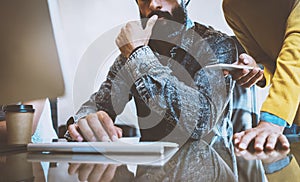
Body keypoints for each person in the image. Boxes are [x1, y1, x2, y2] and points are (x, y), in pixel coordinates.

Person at [66, 0, 238, 144]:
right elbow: (99, 104)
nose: (154, 4)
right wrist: (84, 123)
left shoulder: (216, 44)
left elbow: (200, 121)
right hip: (150, 171)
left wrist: (138, 54)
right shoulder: (134, 50)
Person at [222, 0, 299, 151]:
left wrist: (272, 121)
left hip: (279, 118)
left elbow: (296, 49)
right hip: (290, 118)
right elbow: (268, 59)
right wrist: (258, 69)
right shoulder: (232, 8)